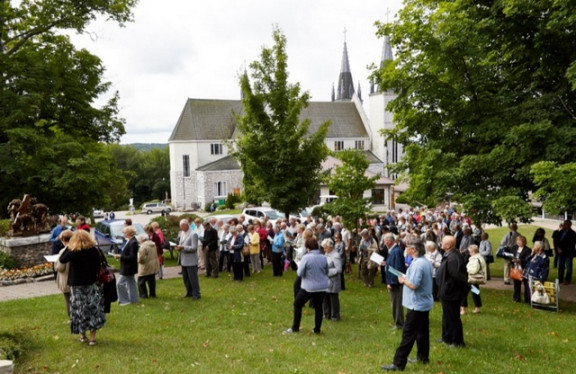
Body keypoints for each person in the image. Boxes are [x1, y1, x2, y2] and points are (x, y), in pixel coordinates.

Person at [381, 235, 433, 371]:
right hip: (423, 303)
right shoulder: (424, 261)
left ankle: (398, 363)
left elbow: (414, 285)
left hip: (416, 304)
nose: (406, 249)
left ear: (413, 249)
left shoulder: (418, 264)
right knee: (422, 332)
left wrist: (402, 280)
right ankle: (423, 357)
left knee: (408, 334)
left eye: (408, 247)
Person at [58, 230, 105, 346]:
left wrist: (69, 246)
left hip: (76, 284)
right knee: (93, 309)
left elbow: (62, 259)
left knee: (80, 309)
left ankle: (83, 335)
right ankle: (92, 338)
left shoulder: (73, 252)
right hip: (91, 283)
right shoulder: (94, 251)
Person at [284, 238, 330, 335]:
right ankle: (317, 329)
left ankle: (295, 327)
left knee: (297, 304)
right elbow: (326, 271)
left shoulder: (306, 258)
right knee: (318, 307)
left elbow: (300, 273)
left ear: (308, 248)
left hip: (309, 286)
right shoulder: (323, 257)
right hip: (322, 286)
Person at [436, 235, 467, 347]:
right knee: (447, 316)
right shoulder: (449, 254)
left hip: (452, 293)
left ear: (448, 245)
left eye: (442, 242)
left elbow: (457, 276)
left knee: (453, 317)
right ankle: (447, 337)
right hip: (447, 292)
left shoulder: (454, 257)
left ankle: (457, 341)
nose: (441, 243)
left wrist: (447, 286)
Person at [384, 233, 406, 329]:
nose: (384, 243)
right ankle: (398, 323)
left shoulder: (396, 251)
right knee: (395, 303)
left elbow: (397, 268)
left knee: (396, 304)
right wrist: (386, 263)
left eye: (385, 241)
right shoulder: (393, 250)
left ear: (389, 241)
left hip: (395, 283)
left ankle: (399, 324)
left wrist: (392, 283)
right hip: (394, 281)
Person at [114, 226, 139, 305]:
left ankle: (124, 300)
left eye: (125, 233)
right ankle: (134, 299)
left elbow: (132, 256)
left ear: (129, 233)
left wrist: (121, 256)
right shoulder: (130, 241)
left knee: (119, 283)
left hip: (128, 267)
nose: (124, 234)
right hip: (128, 266)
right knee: (131, 283)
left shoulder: (133, 242)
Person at [176, 219, 201, 299]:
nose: (181, 228)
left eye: (182, 226)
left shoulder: (193, 234)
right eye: (180, 226)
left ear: (187, 225)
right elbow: (181, 243)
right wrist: (179, 247)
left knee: (193, 279)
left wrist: (183, 247)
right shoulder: (182, 233)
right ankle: (189, 292)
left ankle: (196, 294)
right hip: (183, 259)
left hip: (191, 261)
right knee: (186, 278)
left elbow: (194, 248)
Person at [462, 245, 486, 314]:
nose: (469, 253)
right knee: (475, 292)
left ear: (473, 251)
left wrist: (466, 270)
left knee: (464, 292)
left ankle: (463, 309)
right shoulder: (480, 258)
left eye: (470, 252)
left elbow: (474, 270)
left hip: (471, 278)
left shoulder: (475, 259)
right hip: (476, 279)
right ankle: (477, 307)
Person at [54, 229, 74, 317]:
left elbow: (60, 267)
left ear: (63, 240)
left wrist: (55, 263)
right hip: (74, 278)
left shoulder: (64, 251)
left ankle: (72, 318)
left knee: (68, 300)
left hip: (66, 279)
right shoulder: (76, 248)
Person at [322, 238, 342, 321]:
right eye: (324, 247)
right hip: (326, 280)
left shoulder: (336, 255)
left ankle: (335, 316)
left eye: (326, 247)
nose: (325, 249)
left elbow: (339, 269)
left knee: (333, 298)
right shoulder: (326, 254)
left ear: (330, 247)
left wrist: (327, 272)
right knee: (325, 298)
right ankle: (327, 314)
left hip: (333, 280)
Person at [137, 233, 160, 298]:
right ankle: (152, 294)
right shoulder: (153, 244)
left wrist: (138, 260)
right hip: (153, 264)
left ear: (141, 239)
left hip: (146, 265)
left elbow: (141, 258)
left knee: (141, 281)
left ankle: (143, 295)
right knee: (151, 280)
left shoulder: (143, 246)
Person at [510, 235, 531, 303]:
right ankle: (516, 298)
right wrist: (512, 260)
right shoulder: (514, 248)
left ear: (524, 242)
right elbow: (510, 256)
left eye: (520, 241)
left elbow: (528, 260)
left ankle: (527, 299)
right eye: (517, 240)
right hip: (516, 268)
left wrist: (520, 261)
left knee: (526, 285)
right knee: (516, 284)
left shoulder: (527, 249)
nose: (518, 242)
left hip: (524, 269)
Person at [557, 220, 576, 285]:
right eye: (564, 224)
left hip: (568, 253)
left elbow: (571, 244)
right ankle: (560, 279)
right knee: (561, 266)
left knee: (568, 267)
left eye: (566, 224)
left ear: (569, 225)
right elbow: (557, 240)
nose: (564, 225)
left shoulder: (572, 233)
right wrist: (558, 248)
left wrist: (563, 250)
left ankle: (567, 280)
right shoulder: (561, 232)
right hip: (560, 252)